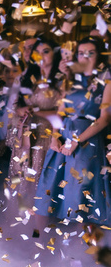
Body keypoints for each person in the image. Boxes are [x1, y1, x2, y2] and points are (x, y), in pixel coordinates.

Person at [35, 36, 111, 227]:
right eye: (81, 53)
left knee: (79, 196)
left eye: (90, 53)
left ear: (98, 56)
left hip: (87, 142)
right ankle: (38, 245)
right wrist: (54, 137)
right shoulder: (72, 79)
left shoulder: (107, 79)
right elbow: (60, 112)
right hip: (63, 137)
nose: (84, 57)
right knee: (47, 190)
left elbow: (104, 119)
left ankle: (78, 250)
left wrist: (76, 141)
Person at [6, 38, 64, 211]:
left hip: (46, 136)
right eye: (37, 52)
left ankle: (37, 226)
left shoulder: (60, 80)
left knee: (39, 178)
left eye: (46, 51)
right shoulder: (25, 78)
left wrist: (36, 112)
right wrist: (20, 110)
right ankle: (14, 220)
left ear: (55, 53)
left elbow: (64, 112)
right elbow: (12, 106)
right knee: (19, 175)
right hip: (24, 135)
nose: (40, 56)